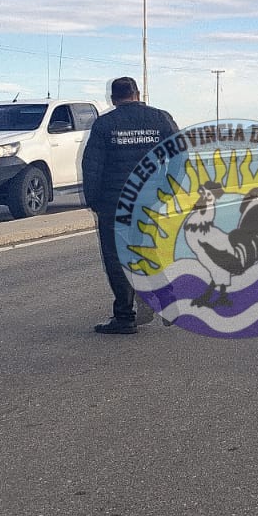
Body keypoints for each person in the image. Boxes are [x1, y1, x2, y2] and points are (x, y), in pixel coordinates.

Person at [82, 76, 180, 335]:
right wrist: (168, 189)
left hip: (114, 203)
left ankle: (124, 317)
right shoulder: (161, 119)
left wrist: (94, 201)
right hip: (148, 199)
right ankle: (168, 301)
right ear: (137, 94)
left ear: (113, 99)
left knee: (116, 260)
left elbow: (92, 167)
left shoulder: (104, 124)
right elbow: (181, 156)